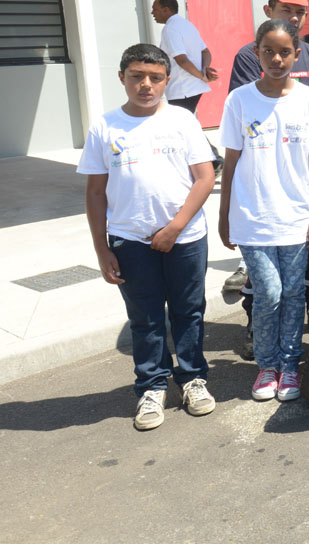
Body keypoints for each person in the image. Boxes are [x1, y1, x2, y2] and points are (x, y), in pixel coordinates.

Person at [78, 43, 216, 430]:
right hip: (130, 240)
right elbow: (94, 192)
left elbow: (205, 177)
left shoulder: (182, 121)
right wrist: (101, 247)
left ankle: (192, 379)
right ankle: (152, 387)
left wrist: (175, 227)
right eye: (137, 76)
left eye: (155, 78)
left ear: (167, 81)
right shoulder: (105, 127)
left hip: (185, 238)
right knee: (146, 317)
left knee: (189, 311)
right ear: (122, 78)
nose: (146, 85)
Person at [219, 19, 309, 402]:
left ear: (297, 55)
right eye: (269, 51)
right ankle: (267, 365)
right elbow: (230, 163)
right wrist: (224, 215)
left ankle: (290, 367)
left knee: (294, 293)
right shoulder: (239, 100)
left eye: (285, 51)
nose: (277, 58)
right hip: (253, 217)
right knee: (268, 292)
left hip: (297, 219)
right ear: (257, 53)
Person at [151, 0, 222, 168]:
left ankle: (213, 160)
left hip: (182, 88)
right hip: (192, 86)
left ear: (166, 10)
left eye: (155, 8)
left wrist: (202, 75)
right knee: (185, 123)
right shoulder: (187, 25)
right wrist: (204, 71)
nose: (152, 13)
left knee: (183, 124)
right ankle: (209, 160)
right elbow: (206, 52)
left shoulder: (170, 29)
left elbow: (181, 59)